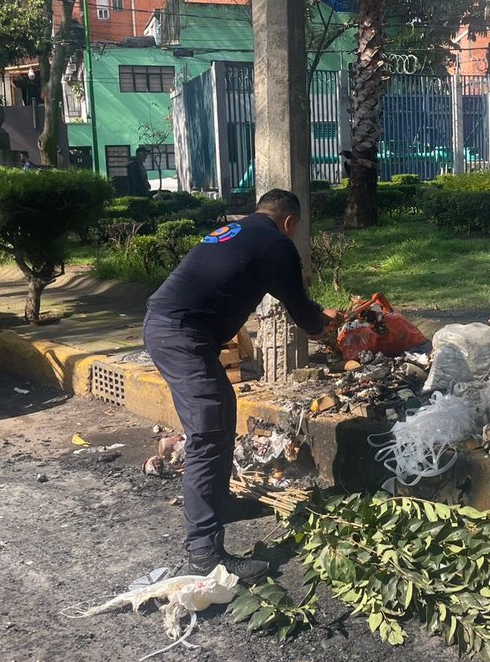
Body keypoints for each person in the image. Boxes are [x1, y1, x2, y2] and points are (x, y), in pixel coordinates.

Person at [142, 189, 341, 583]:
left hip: (166, 327)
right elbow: (299, 309)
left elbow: (285, 297)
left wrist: (316, 314)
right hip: (183, 335)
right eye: (295, 229)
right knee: (208, 433)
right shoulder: (276, 244)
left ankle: (220, 504)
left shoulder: (234, 232)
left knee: (220, 413)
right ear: (289, 222)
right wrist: (324, 327)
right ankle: (204, 556)